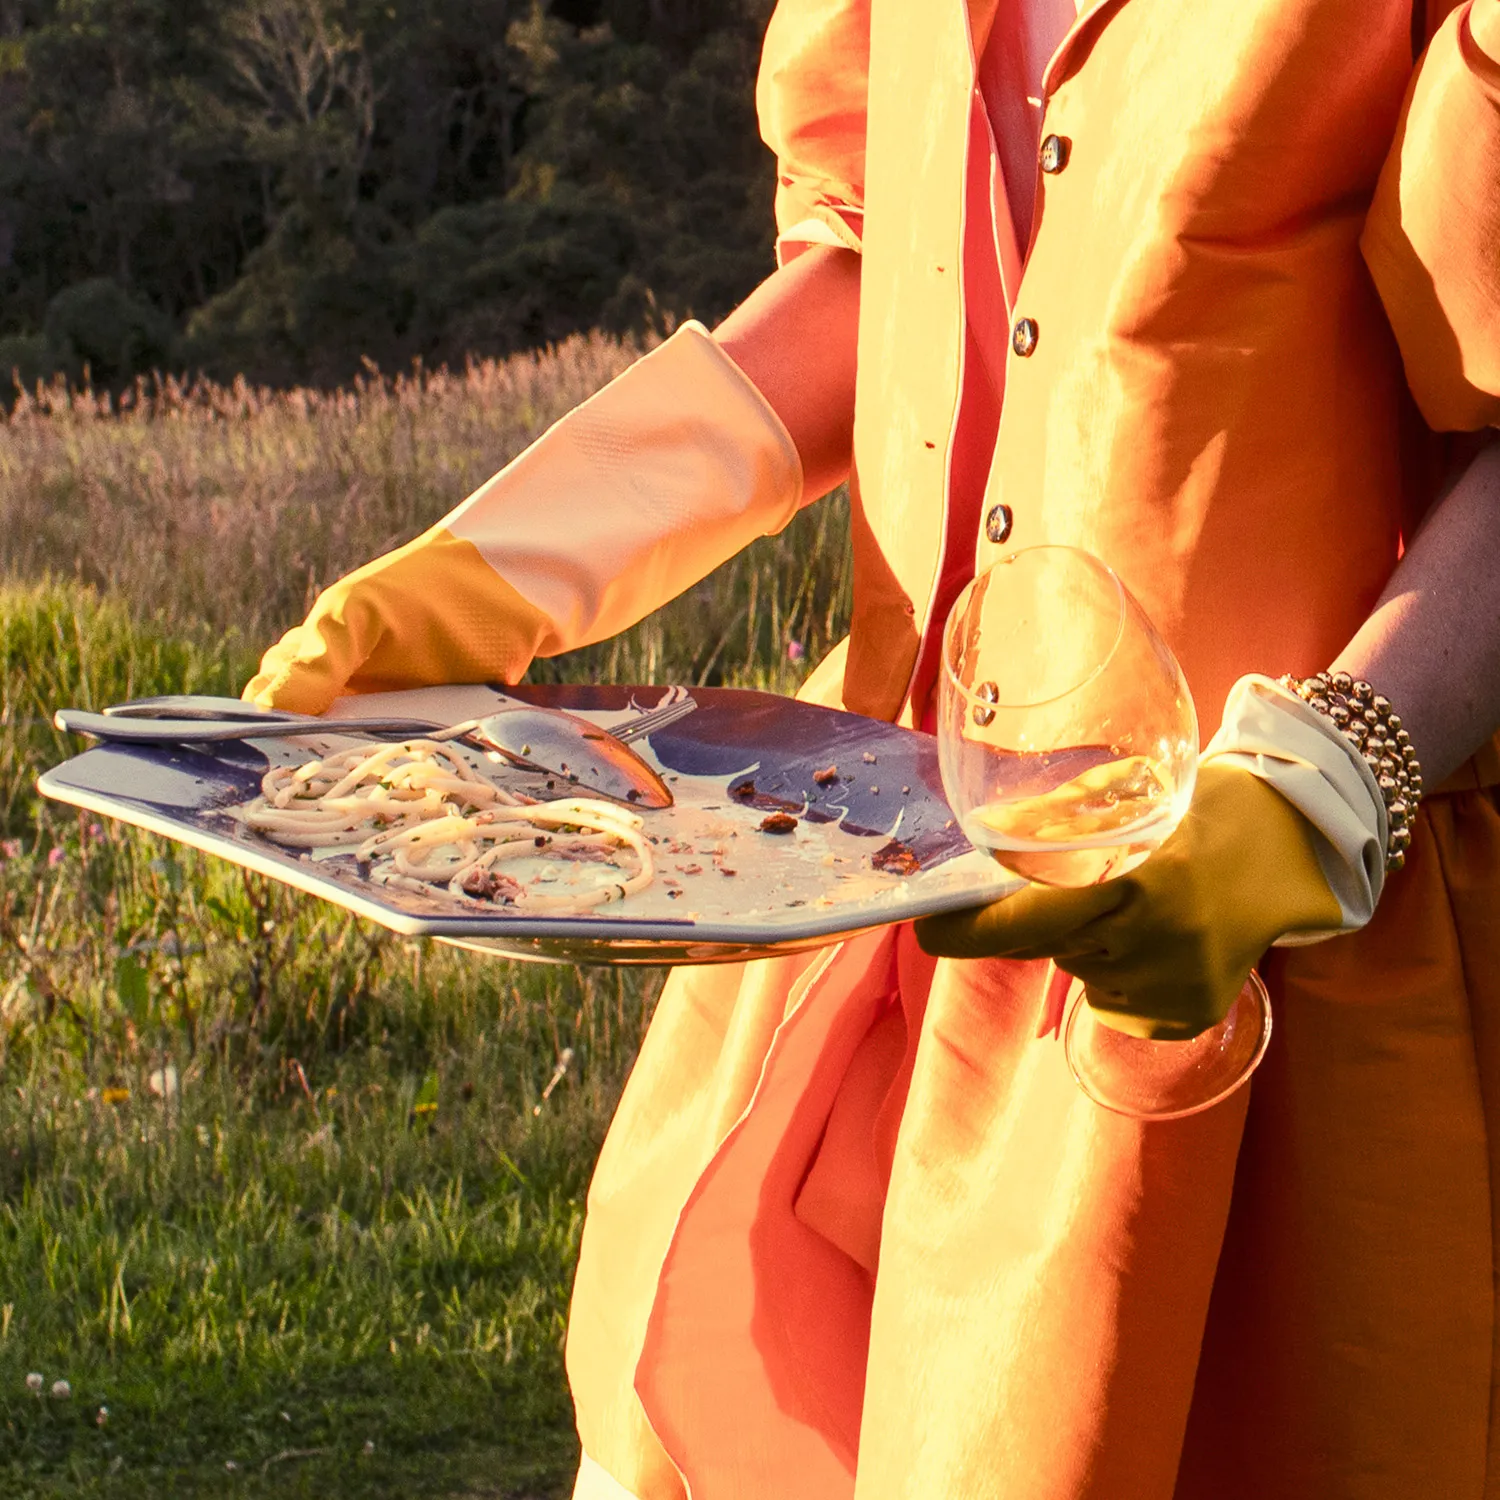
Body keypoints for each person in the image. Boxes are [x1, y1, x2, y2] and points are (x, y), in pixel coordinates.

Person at [245, 0, 1500, 1494]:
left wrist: (1318, 789)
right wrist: (519, 556)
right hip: (882, 905)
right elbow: (883, 275)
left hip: (1258, 973)